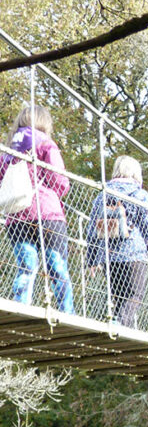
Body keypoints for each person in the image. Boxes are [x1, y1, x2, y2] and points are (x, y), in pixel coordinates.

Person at [0, 106, 73, 314]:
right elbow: (60, 181)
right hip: (48, 214)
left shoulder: (7, 151)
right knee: (57, 268)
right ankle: (66, 312)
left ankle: (20, 307)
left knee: (26, 267)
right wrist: (51, 196)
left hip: (16, 216)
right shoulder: (46, 145)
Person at [86, 156, 148, 328]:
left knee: (119, 298)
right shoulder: (139, 194)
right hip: (133, 255)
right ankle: (119, 325)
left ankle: (119, 328)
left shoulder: (103, 194)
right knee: (134, 296)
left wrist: (92, 260)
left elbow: (92, 230)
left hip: (109, 257)